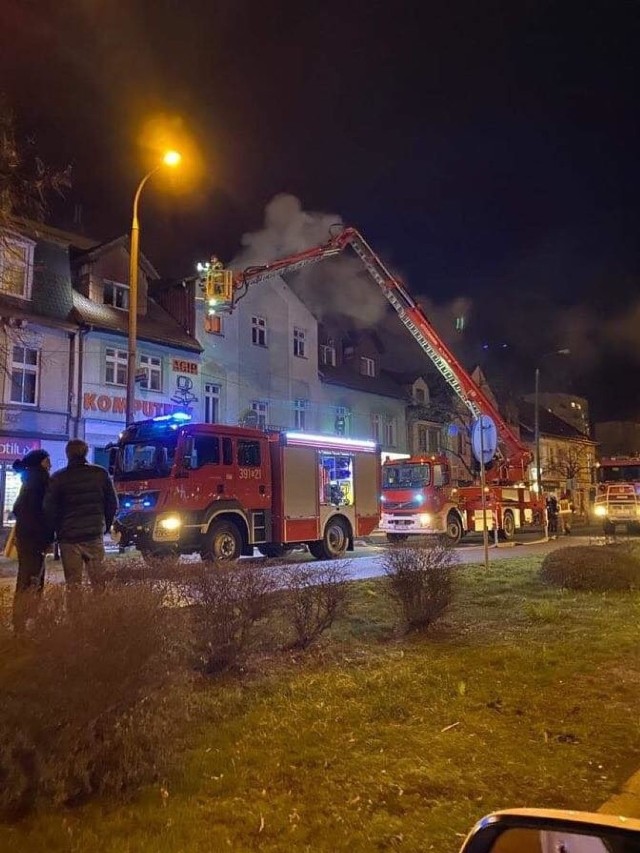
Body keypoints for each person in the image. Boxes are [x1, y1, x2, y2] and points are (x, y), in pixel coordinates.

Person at [43, 439, 118, 610]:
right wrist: (104, 525)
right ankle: (101, 618)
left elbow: (49, 508)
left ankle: (76, 622)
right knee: (99, 583)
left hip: (69, 539)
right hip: (93, 535)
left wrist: (56, 531)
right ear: (85, 453)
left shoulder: (58, 478)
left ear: (67, 454)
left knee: (73, 585)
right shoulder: (100, 474)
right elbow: (112, 503)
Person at [11, 449, 52, 634]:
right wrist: (47, 539)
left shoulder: (29, 481)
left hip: (25, 536)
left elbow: (17, 508)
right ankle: (25, 621)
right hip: (35, 538)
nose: (50, 464)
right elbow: (45, 513)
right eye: (47, 460)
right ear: (41, 462)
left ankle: (22, 620)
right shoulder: (41, 481)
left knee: (26, 576)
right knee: (33, 579)